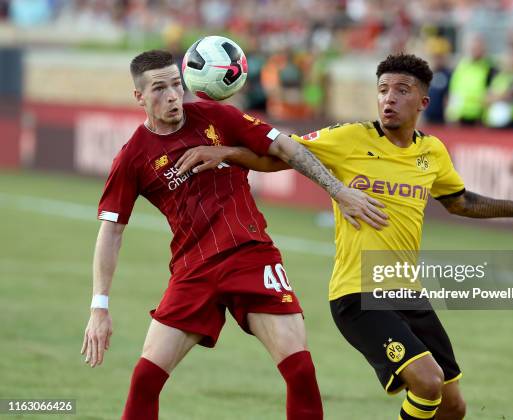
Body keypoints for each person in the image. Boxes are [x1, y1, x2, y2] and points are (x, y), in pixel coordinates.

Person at [176, 53, 513, 420]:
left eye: (401, 91)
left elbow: (461, 202)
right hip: (359, 293)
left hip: (408, 294)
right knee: (427, 383)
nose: (389, 99)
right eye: (383, 90)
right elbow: (278, 156)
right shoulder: (348, 138)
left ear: (424, 102)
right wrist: (226, 152)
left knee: (453, 406)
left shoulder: (432, 152)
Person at [79, 49, 389, 420]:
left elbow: (285, 148)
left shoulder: (217, 117)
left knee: (300, 370)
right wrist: (99, 307)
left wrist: (338, 191)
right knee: (145, 379)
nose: (173, 95)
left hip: (250, 256)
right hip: (192, 271)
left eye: (177, 85)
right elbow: (111, 231)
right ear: (139, 97)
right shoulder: (133, 156)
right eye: (159, 89)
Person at [446, 33, 497, 125]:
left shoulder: (490, 68)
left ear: (484, 49)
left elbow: (492, 92)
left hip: (479, 117)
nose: (475, 50)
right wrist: (451, 113)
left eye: (478, 48)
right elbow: (454, 90)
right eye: (473, 47)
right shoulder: (462, 66)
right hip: (460, 116)